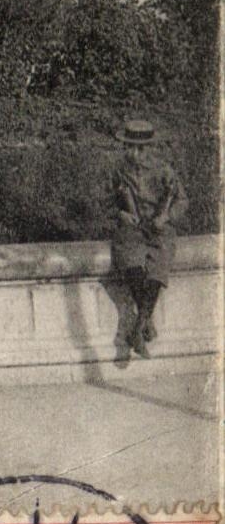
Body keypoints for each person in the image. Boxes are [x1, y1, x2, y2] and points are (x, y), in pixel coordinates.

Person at [110, 119, 187, 362]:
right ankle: (144, 324)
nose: (134, 154)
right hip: (133, 228)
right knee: (130, 260)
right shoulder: (119, 170)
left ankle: (138, 326)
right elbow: (108, 202)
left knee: (159, 264)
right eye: (130, 148)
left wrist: (166, 217)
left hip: (158, 228)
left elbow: (182, 200)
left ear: (150, 148)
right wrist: (121, 214)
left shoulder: (164, 170)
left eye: (140, 149)